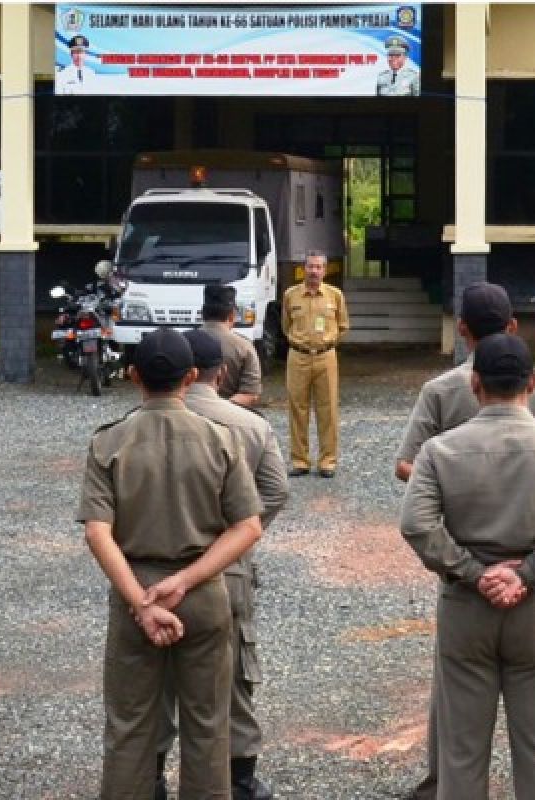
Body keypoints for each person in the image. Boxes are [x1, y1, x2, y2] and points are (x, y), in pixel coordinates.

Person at [399, 332, 535, 800]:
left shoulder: (439, 451)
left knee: (461, 749)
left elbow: (416, 524)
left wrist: (474, 572)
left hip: (465, 605)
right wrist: (528, 572)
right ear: (533, 384)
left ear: (475, 384)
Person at [77, 327, 264, 799]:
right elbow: (248, 526)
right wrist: (186, 580)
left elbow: (97, 531)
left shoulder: (109, 442)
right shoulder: (221, 439)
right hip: (201, 591)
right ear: (193, 377)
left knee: (129, 726)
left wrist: (142, 602)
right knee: (208, 725)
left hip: (134, 588)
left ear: (134, 376)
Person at [153, 329, 287, 800]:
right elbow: (275, 491)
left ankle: (149, 777)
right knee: (231, 675)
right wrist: (236, 537)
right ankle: (240, 779)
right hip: (226, 571)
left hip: (153, 573)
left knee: (155, 677)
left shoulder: (143, 424)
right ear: (221, 372)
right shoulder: (249, 426)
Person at [395, 280, 535, 482]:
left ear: (461, 327)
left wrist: (450, 485)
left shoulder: (438, 390)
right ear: (512, 326)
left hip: (461, 511)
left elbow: (404, 465)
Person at [282, 250, 350, 478]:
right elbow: (286, 325)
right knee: (297, 408)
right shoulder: (291, 295)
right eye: (310, 266)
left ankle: (327, 461)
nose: (314, 271)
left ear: (325, 270)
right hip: (297, 356)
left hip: (326, 357)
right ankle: (300, 461)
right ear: (304, 268)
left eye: (319, 267)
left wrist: (327, 344)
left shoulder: (335, 295)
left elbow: (343, 326)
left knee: (328, 408)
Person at [201, 284, 263, 406]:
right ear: (232, 316)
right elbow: (250, 394)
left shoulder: (182, 341)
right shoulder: (244, 347)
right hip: (229, 418)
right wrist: (222, 409)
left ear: (202, 314)